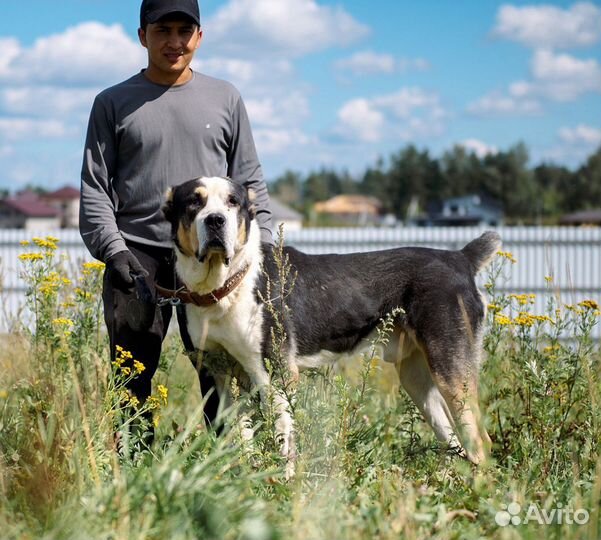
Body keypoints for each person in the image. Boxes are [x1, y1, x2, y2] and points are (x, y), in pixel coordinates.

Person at [79, 0, 273, 431]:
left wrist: (268, 252)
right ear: (142, 35)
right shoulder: (112, 103)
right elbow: (95, 190)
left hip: (214, 260)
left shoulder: (226, 98)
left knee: (224, 379)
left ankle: (230, 474)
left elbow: (249, 182)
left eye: (184, 31)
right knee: (131, 377)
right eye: (162, 30)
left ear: (199, 37)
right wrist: (115, 253)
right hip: (138, 257)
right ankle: (133, 478)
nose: (174, 41)